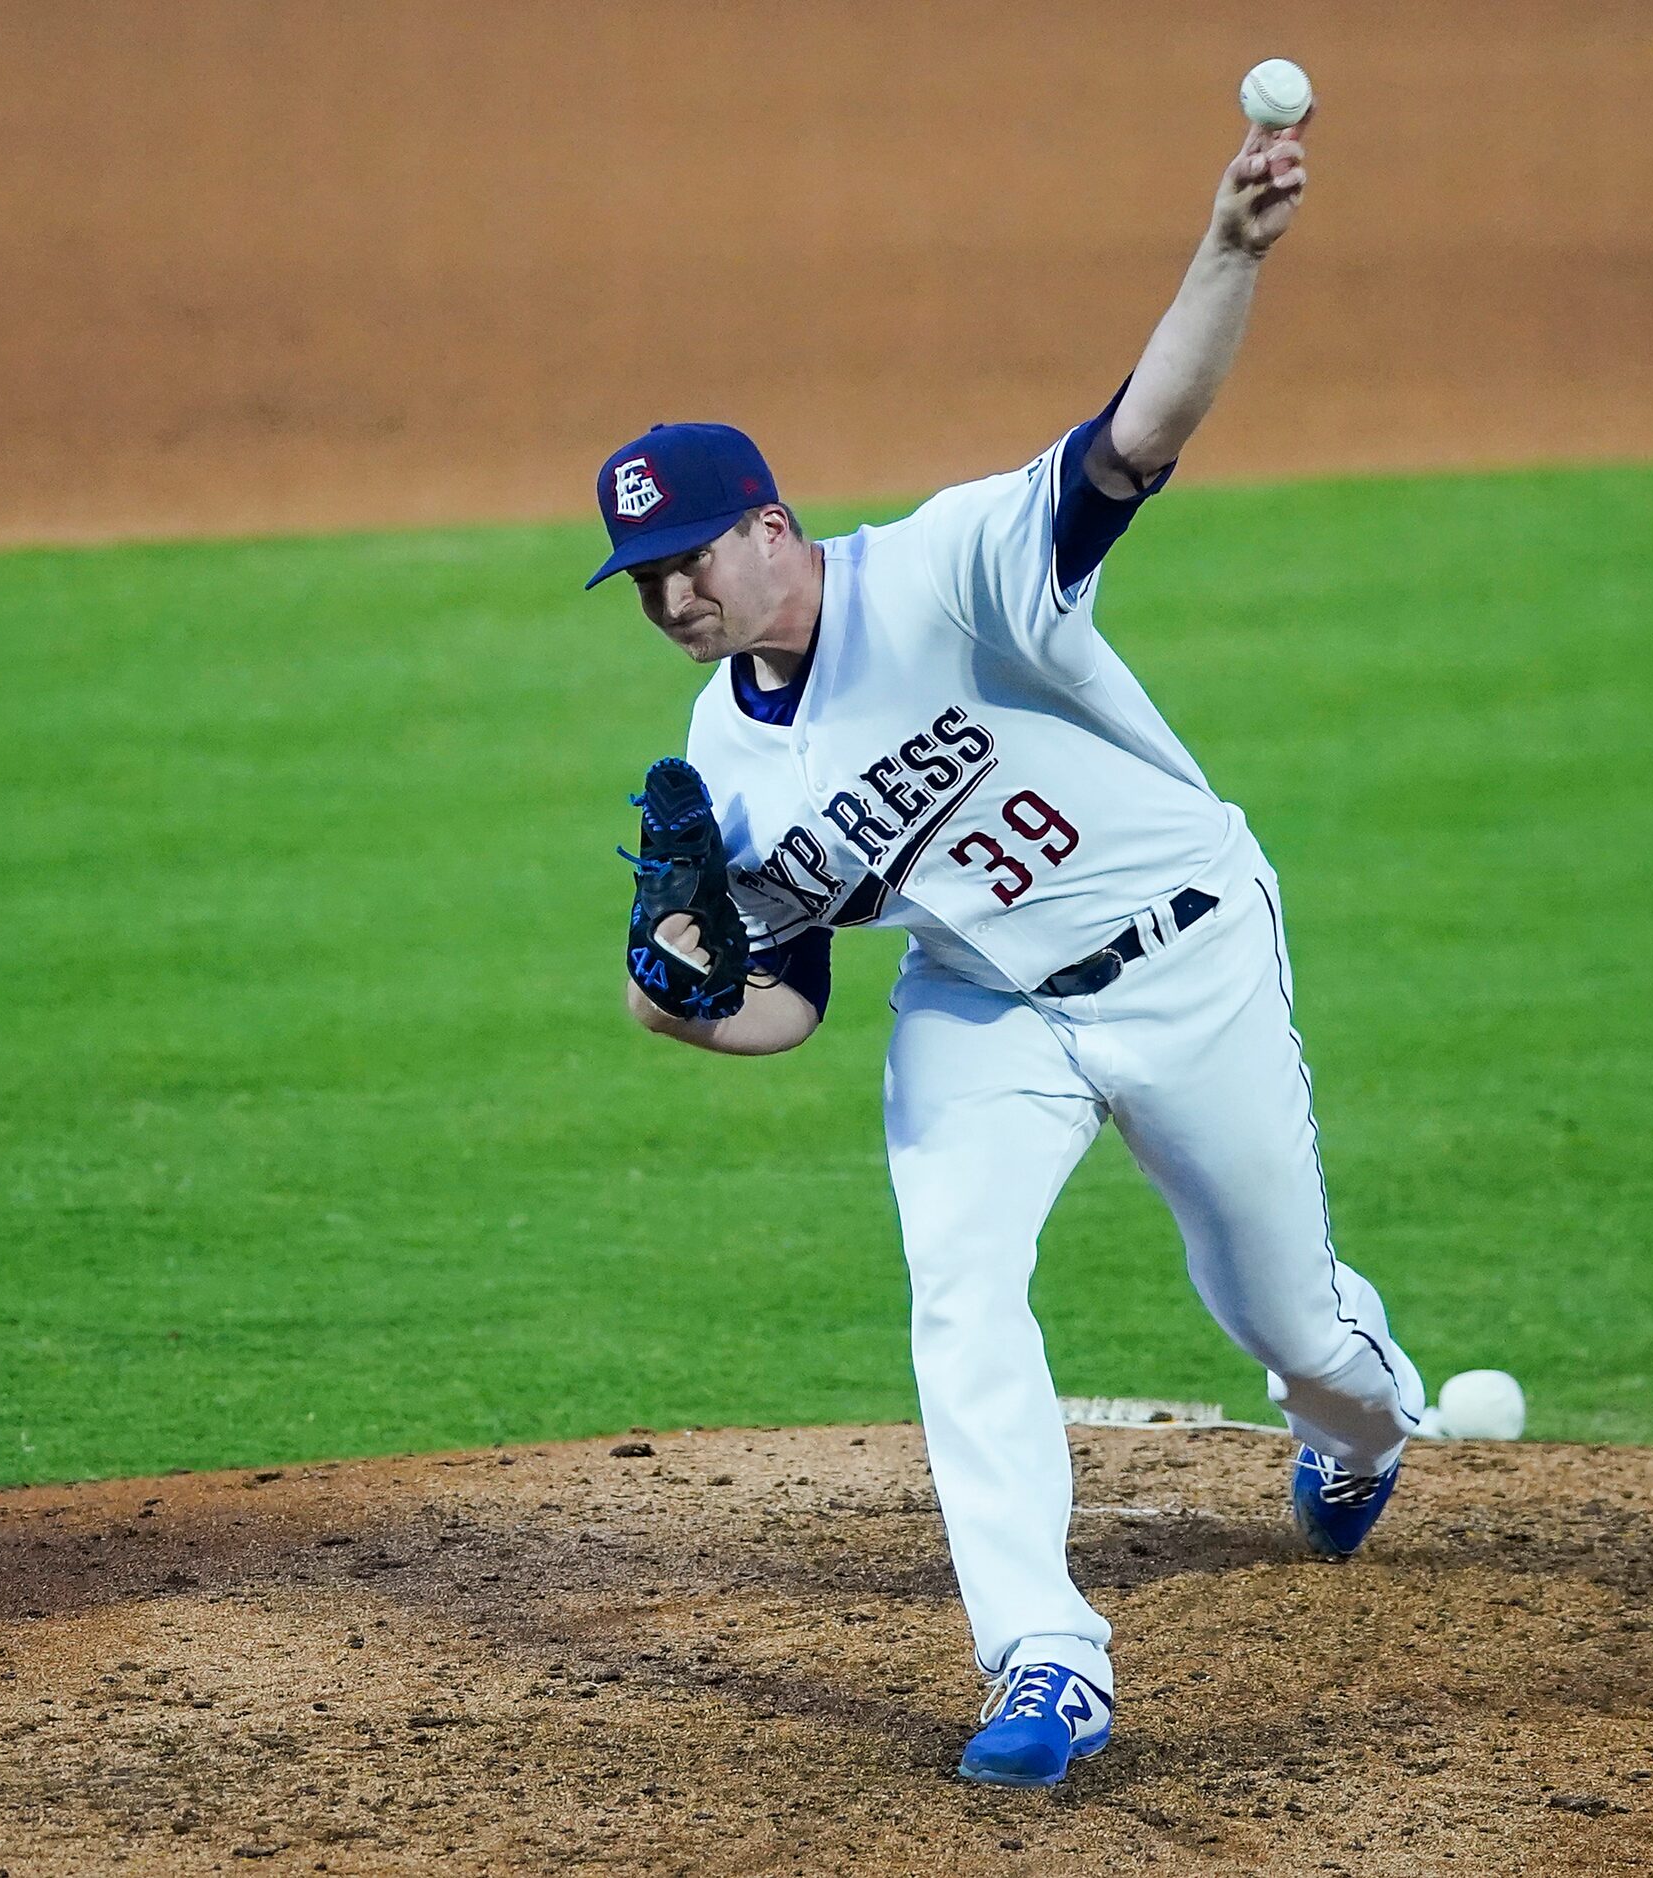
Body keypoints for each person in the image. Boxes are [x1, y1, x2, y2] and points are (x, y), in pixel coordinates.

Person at [594, 104, 1426, 1789]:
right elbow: (789, 1005)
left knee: (1279, 1315)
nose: (669, 597)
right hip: (981, 1008)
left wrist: (1230, 251)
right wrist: (676, 1006)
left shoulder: (953, 567)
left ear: (767, 525)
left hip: (1182, 949)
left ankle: (1356, 1411)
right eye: (638, 579)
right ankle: (1046, 1656)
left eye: (685, 559)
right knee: (959, 1287)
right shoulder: (725, 755)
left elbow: (1135, 437)